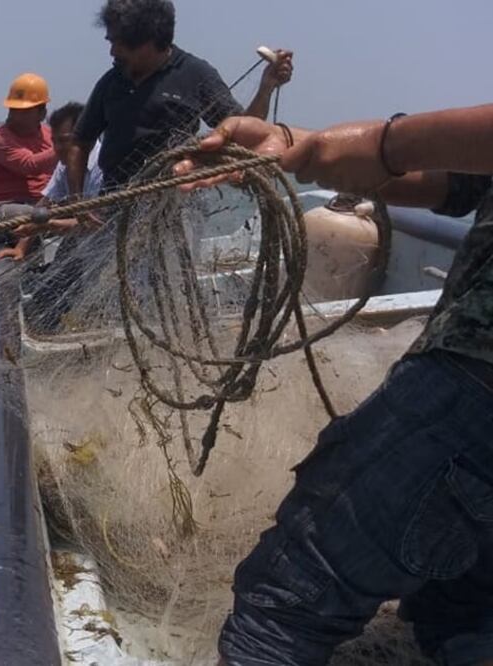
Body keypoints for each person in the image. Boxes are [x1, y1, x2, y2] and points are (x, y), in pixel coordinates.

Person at [178, 106, 493, 665]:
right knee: (463, 597)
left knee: (288, 599)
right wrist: (301, 145)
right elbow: (459, 180)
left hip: (476, 379)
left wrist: (377, 144)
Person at [66, 0, 293, 207]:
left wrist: (267, 87)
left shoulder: (195, 74)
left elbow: (244, 134)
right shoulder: (112, 81)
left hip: (175, 205)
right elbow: (79, 142)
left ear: (150, 41)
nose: (113, 51)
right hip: (114, 204)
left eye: (122, 44)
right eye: (111, 41)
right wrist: (79, 204)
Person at [0, 101, 103, 263]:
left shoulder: (103, 165)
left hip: (107, 242)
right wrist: (21, 248)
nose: (57, 148)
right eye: (54, 141)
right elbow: (44, 205)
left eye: (64, 141)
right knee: (53, 280)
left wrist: (47, 225)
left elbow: (97, 223)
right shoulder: (65, 165)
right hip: (82, 239)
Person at [0, 73, 58, 246]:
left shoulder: (49, 135)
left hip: (42, 205)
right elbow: (28, 165)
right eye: (13, 110)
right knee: (36, 215)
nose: (15, 116)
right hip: (0, 212)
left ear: (42, 113)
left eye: (24, 112)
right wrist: (66, 146)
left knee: (77, 211)